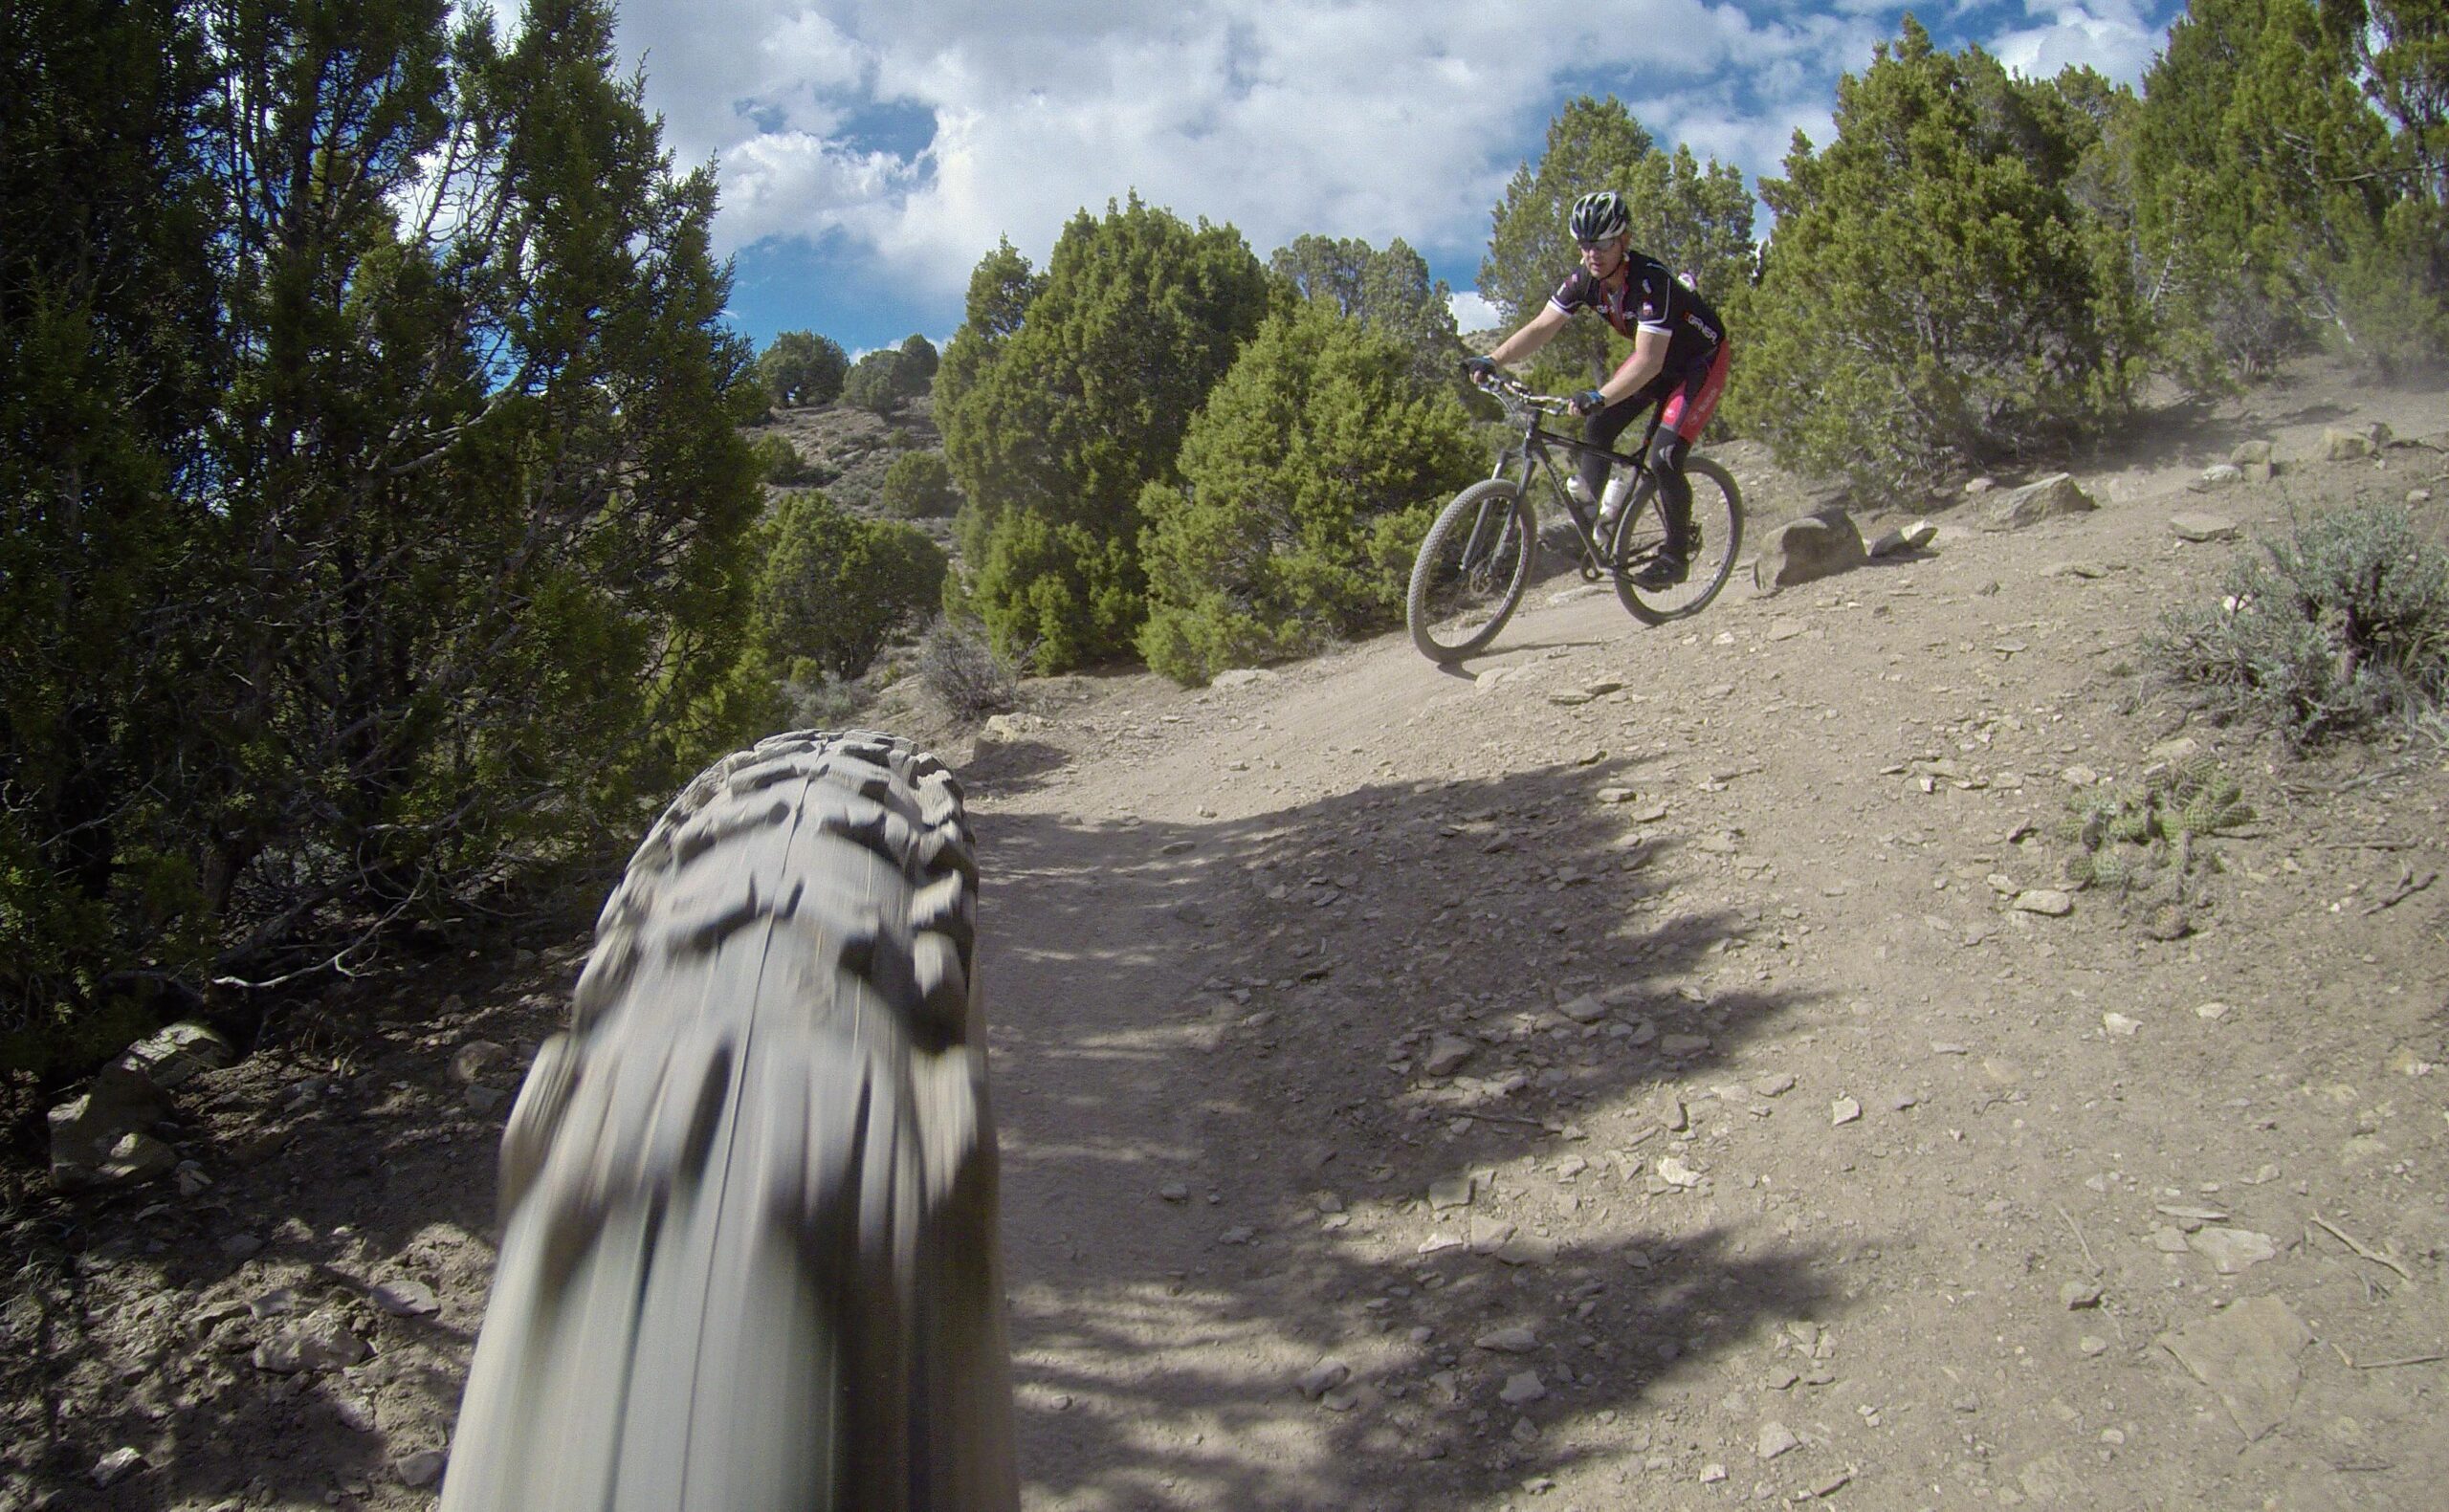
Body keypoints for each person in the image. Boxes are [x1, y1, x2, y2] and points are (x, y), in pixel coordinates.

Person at [1466, 190, 1731, 588]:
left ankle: (1675, 555)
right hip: (1656, 358)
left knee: (1665, 457)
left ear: (1624, 241)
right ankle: (1595, 520)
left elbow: (1647, 362)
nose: (1593, 253)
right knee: (1598, 426)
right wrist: (1493, 359)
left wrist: (1599, 395)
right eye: (1585, 244)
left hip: (1698, 363)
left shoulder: (1651, 283)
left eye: (1603, 243)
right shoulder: (1583, 281)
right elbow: (1542, 327)